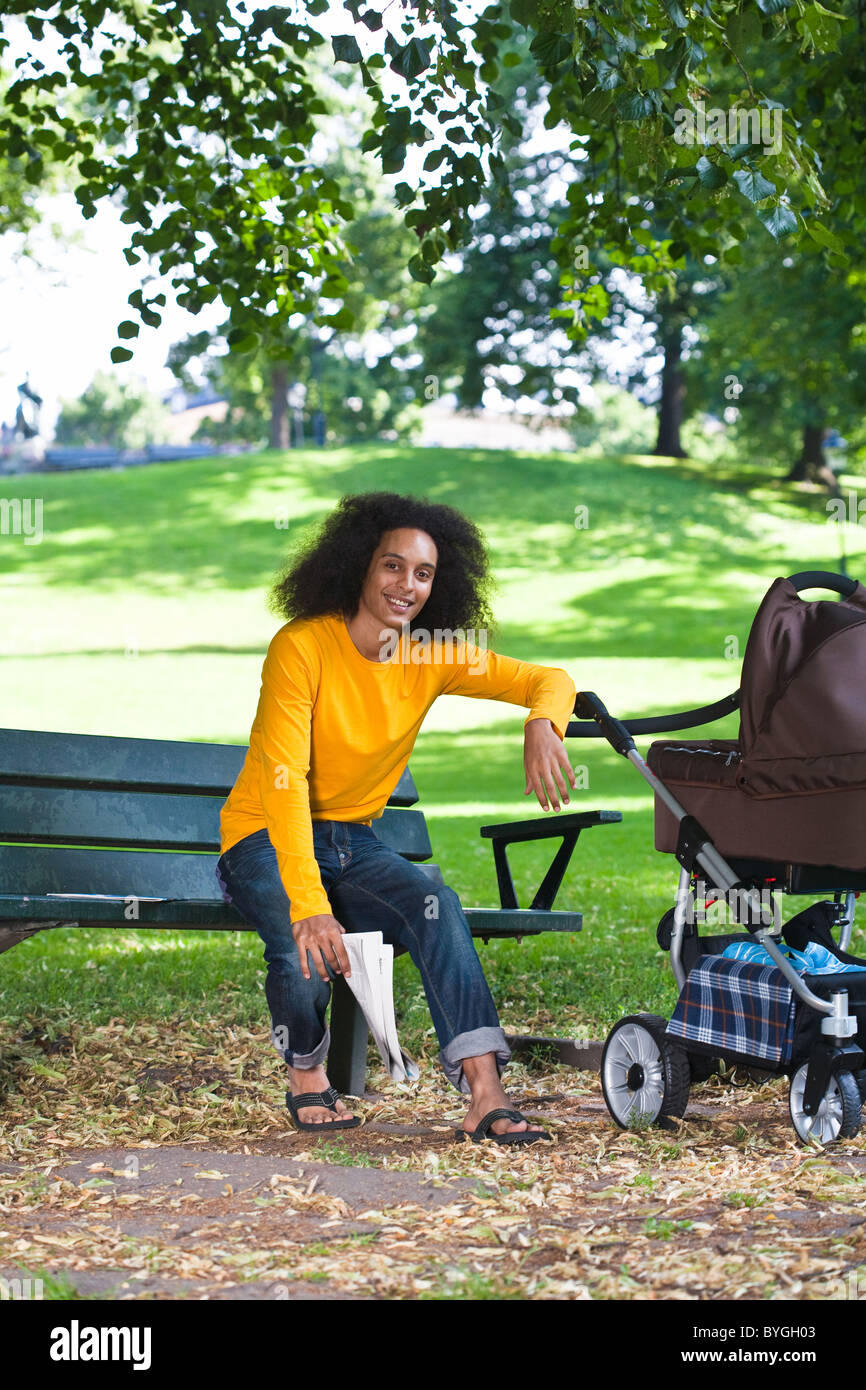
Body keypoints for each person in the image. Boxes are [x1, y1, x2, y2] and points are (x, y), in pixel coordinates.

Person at [216, 492, 577, 1146]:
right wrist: (308, 900)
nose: (405, 585)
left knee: (436, 901)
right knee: (303, 938)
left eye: (423, 573)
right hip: (263, 837)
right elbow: (283, 779)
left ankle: (484, 1095)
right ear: (359, 565)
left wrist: (542, 721)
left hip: (354, 846)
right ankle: (306, 1072)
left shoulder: (430, 653)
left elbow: (546, 678)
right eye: (392, 565)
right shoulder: (302, 647)